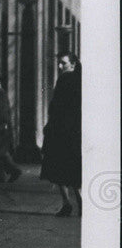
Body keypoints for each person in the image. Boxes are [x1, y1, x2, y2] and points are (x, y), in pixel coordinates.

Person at [41, 52, 82, 216]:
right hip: (73, 132)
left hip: (61, 132)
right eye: (59, 63)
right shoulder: (80, 80)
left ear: (72, 64)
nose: (59, 66)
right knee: (73, 169)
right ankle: (80, 202)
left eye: (63, 63)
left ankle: (67, 203)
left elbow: (57, 107)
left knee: (58, 167)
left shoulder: (65, 79)